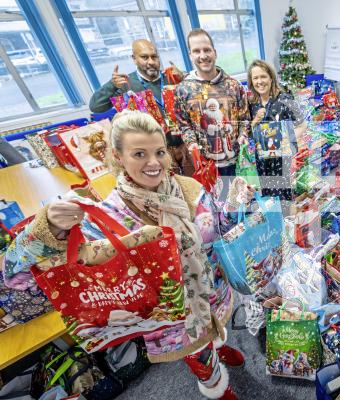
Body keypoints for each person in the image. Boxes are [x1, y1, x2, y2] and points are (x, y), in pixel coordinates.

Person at [3, 111, 255, 400]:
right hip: (175, 320)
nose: (154, 162)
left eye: (159, 151)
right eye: (139, 153)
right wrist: (50, 229)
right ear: (118, 156)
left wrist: (235, 205)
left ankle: (219, 344)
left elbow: (218, 231)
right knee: (199, 354)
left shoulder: (190, 188)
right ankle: (214, 385)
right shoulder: (108, 218)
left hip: (214, 293)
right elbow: (16, 276)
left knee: (216, 330)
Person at [88, 39, 193, 176]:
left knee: (195, 185)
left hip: (184, 145)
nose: (150, 61)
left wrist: (185, 78)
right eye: (144, 57)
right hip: (156, 153)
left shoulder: (171, 77)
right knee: (169, 189)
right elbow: (95, 106)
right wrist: (112, 85)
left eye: (154, 57)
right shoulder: (125, 84)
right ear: (134, 58)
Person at [174, 29, 251, 179]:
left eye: (207, 50)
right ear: (190, 55)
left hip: (238, 163)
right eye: (197, 51)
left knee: (242, 200)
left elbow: (244, 118)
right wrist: (191, 144)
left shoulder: (233, 85)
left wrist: (243, 135)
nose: (203, 56)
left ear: (214, 52)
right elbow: (184, 125)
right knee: (221, 202)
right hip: (208, 167)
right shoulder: (183, 90)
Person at [247, 60, 305, 202]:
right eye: (255, 78)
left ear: (271, 78)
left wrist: (287, 140)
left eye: (263, 76)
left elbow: (302, 125)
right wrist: (255, 120)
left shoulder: (285, 99)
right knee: (267, 199)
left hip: (281, 161)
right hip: (261, 161)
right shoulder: (252, 103)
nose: (260, 81)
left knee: (283, 199)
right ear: (251, 81)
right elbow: (249, 131)